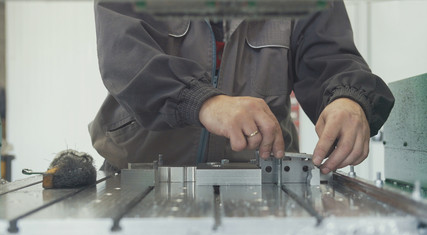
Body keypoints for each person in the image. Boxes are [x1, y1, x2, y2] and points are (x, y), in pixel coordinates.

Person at [89, 0, 395, 174]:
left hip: (264, 179)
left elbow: (332, 57)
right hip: (138, 174)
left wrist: (348, 98)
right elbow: (125, 57)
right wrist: (203, 102)